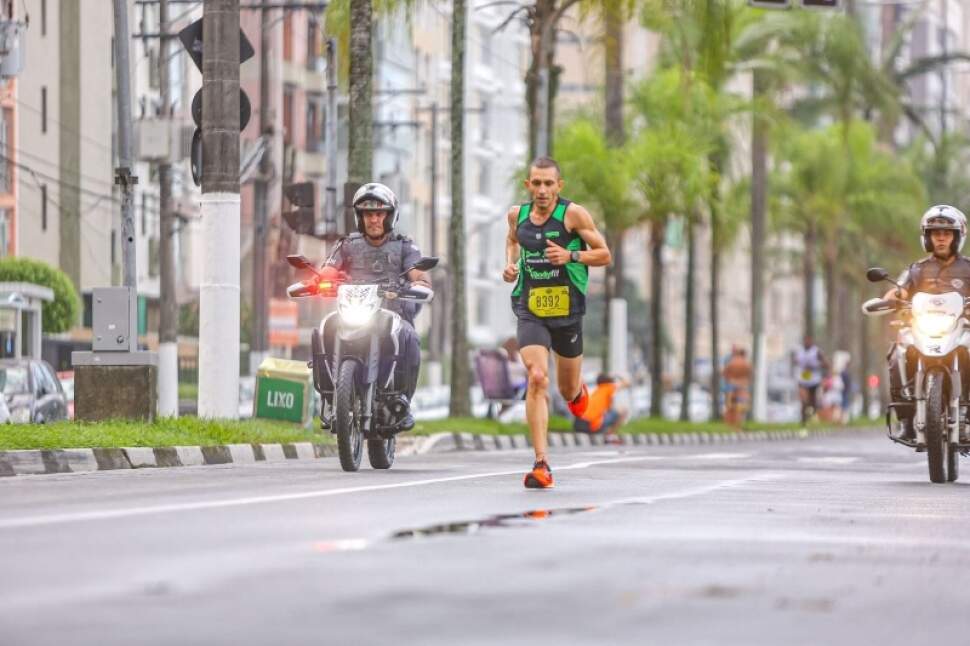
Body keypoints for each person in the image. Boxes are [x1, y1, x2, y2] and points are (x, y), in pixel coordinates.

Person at [502, 156, 612, 488]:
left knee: (566, 390)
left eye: (549, 183)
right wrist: (511, 266)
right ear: (528, 185)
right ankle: (541, 464)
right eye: (536, 183)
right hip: (530, 308)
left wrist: (571, 256)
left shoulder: (573, 215)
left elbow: (605, 254)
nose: (542, 190)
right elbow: (512, 241)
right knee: (537, 377)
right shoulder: (516, 215)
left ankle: (578, 393)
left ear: (559, 186)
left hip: (567, 313)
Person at [323, 182, 431, 430]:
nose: (373, 219)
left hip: (392, 314)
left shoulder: (405, 245)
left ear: (389, 216)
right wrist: (320, 281)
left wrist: (420, 285)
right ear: (360, 217)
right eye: (368, 214)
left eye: (379, 213)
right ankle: (330, 395)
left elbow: (418, 274)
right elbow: (328, 270)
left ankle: (403, 402)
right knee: (324, 328)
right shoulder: (346, 245)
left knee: (410, 337)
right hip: (352, 312)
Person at [884, 205, 970, 440]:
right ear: (928, 237)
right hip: (924, 329)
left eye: (947, 233)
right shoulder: (917, 269)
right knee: (898, 354)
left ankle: (966, 414)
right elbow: (898, 291)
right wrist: (889, 300)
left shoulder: (968, 268)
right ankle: (907, 419)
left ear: (957, 237)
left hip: (961, 329)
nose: (941, 238)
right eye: (935, 233)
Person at [574, 374, 629, 443]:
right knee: (623, 411)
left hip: (578, 424)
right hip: (591, 425)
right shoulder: (609, 387)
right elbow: (627, 383)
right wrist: (618, 375)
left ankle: (606, 434)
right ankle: (609, 436)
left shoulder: (596, 391)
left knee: (607, 413)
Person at [792, 336, 828, 424]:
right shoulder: (799, 351)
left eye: (808, 341)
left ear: (811, 341)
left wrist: (816, 365)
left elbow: (826, 364)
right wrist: (797, 363)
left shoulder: (816, 351)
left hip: (814, 379)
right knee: (803, 400)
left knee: (812, 402)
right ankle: (803, 419)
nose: (806, 342)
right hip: (803, 378)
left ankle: (811, 415)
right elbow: (794, 361)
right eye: (805, 341)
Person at [722, 346, 752, 428]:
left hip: (730, 386)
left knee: (730, 406)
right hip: (743, 387)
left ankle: (729, 424)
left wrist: (730, 380)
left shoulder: (731, 362)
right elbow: (751, 374)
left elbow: (724, 373)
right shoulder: (746, 363)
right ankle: (738, 424)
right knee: (741, 406)